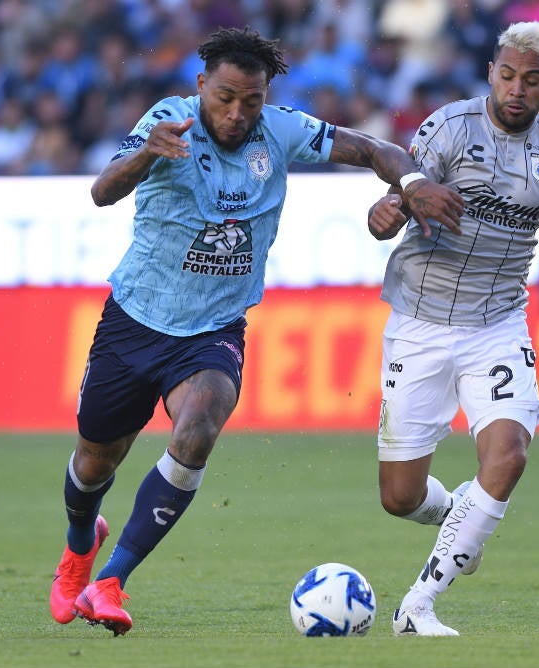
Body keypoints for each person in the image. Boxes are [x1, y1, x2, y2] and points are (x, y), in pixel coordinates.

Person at [48, 26, 464, 636]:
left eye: (252, 100)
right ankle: (80, 548)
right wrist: (145, 153)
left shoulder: (283, 130)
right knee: (91, 466)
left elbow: (375, 150)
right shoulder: (168, 121)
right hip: (133, 323)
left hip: (213, 331)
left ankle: (110, 582)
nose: (238, 112)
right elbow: (101, 191)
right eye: (225, 98)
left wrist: (410, 184)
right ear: (201, 87)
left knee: (200, 425)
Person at [366, 20, 539, 636]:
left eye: (531, 81)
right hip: (421, 321)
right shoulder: (450, 127)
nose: (517, 90)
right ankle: (461, 517)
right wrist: (386, 212)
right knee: (400, 496)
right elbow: (403, 193)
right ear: (491, 74)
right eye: (507, 76)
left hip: (497, 324)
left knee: (509, 456)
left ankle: (418, 605)